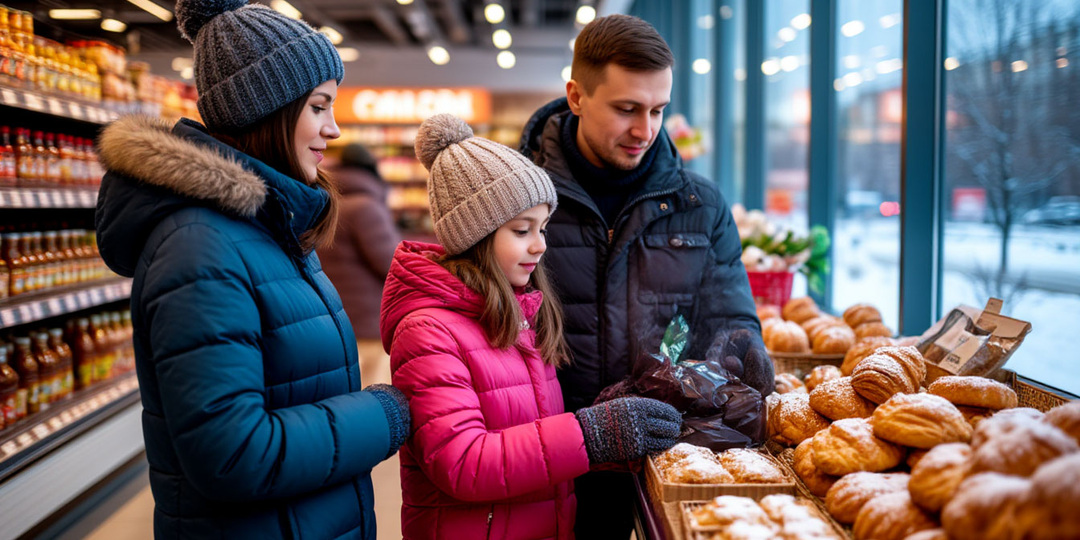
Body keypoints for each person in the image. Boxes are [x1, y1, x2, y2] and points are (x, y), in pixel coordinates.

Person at [94, 1, 410, 537]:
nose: (333, 129)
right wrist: (387, 413)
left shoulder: (270, 224)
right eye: (319, 106)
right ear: (265, 110)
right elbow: (234, 453)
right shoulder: (201, 246)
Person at [518, 14, 775, 538]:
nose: (645, 130)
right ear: (576, 96)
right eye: (626, 109)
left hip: (660, 456)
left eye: (659, 110)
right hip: (545, 457)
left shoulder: (699, 205)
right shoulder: (519, 200)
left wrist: (741, 348)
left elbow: (727, 315)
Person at [381, 114, 681, 539]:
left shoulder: (519, 314)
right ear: (474, 235)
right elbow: (463, 462)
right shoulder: (428, 331)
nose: (540, 244)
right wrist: (589, 434)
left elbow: (531, 442)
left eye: (542, 228)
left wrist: (609, 431)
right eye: (522, 230)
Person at [318, 143, 402, 384]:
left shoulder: (328, 205)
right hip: (367, 324)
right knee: (374, 394)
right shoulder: (366, 208)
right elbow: (391, 264)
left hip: (336, 319)